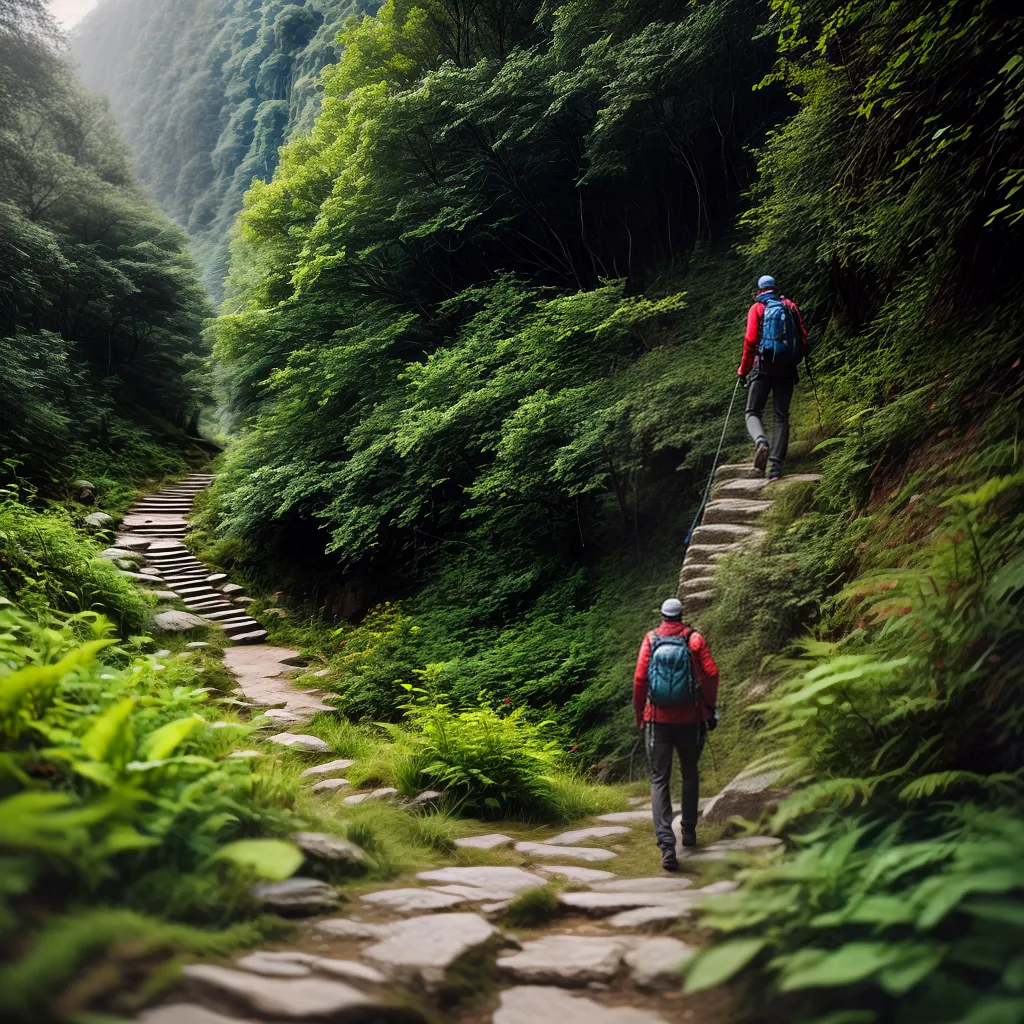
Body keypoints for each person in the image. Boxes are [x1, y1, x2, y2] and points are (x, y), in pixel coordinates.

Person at [633, 597, 719, 870]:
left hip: (657, 720)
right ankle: (689, 831)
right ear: (681, 615)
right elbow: (712, 673)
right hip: (690, 720)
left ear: (662, 616)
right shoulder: (693, 640)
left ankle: (667, 846)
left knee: (659, 780)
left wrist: (640, 714)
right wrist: (709, 706)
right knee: (690, 772)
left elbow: (639, 679)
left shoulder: (650, 640)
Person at [738, 275, 809, 480]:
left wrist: (743, 370)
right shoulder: (789, 306)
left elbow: (750, 340)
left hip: (763, 367)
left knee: (752, 411)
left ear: (758, 290)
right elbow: (803, 337)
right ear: (774, 288)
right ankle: (776, 468)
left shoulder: (757, 309)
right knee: (781, 415)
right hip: (786, 369)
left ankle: (761, 442)